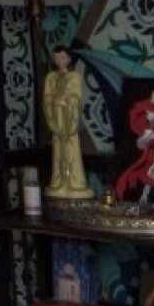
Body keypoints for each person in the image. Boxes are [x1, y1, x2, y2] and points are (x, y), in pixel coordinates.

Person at [42, 44, 91, 200]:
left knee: (71, 149)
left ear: (69, 59)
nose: (59, 60)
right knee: (58, 151)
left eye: (63, 57)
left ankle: (75, 183)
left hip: (69, 121)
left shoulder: (74, 77)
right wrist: (55, 101)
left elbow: (77, 97)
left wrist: (68, 101)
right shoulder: (50, 78)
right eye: (56, 58)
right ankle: (58, 182)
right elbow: (46, 98)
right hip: (57, 120)